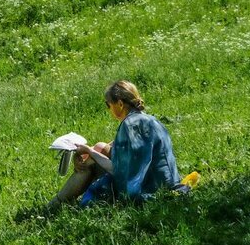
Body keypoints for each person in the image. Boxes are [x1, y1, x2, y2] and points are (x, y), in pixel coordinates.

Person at [46, 80, 185, 211]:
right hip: (163, 182)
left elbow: (121, 171)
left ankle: (55, 204)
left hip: (150, 189)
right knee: (97, 149)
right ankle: (60, 201)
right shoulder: (147, 119)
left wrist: (90, 152)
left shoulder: (130, 126)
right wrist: (89, 151)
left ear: (119, 103)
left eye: (108, 104)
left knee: (90, 164)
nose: (109, 109)